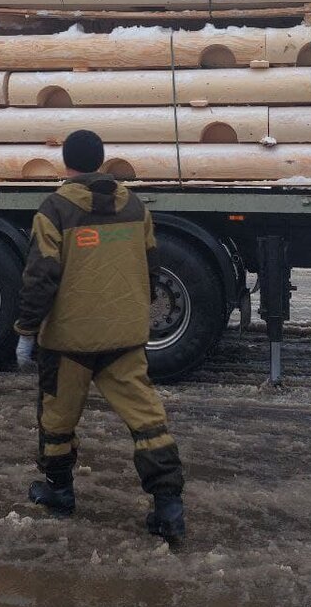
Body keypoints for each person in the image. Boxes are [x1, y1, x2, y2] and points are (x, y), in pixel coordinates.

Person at [15, 129, 185, 543]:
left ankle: (59, 492)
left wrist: (25, 331)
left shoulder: (54, 209)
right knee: (147, 420)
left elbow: (41, 277)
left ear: (66, 164)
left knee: (57, 419)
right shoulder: (135, 206)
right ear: (102, 161)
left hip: (69, 341)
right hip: (124, 336)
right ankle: (168, 508)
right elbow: (151, 267)